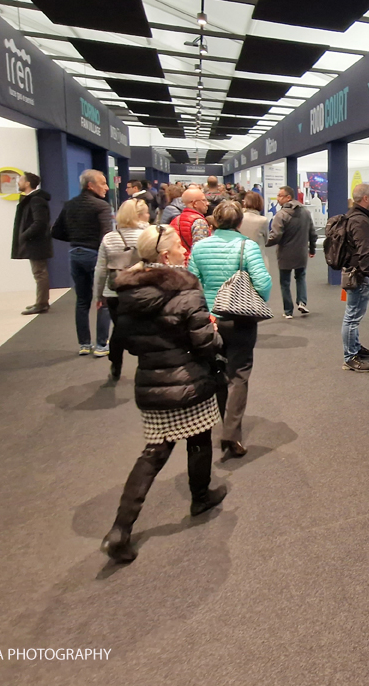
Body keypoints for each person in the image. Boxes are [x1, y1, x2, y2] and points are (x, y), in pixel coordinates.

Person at [100, 224, 226, 563]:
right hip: (188, 379)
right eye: (179, 247)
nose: (186, 250)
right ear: (166, 254)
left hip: (151, 381)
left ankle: (120, 528)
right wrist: (213, 334)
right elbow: (204, 343)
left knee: (153, 453)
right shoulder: (186, 291)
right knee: (199, 438)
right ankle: (200, 496)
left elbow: (125, 341)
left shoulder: (127, 294)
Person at [189, 201, 272, 459]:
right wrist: (258, 299)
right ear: (239, 223)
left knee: (219, 371)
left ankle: (225, 424)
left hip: (210, 319)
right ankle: (231, 433)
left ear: (215, 221)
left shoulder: (200, 247)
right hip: (240, 318)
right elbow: (263, 282)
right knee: (239, 374)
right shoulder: (247, 246)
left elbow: (192, 282)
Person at [50, 169, 112, 355]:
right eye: (102, 183)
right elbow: (107, 236)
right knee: (103, 298)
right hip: (94, 255)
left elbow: (56, 231)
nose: (107, 187)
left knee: (82, 301)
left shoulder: (70, 204)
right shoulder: (100, 206)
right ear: (90, 185)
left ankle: (84, 344)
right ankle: (101, 345)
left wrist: (77, 237)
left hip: (75, 254)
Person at [93, 198, 150, 385]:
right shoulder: (146, 235)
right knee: (144, 329)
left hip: (115, 291)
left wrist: (98, 294)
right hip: (141, 290)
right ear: (139, 215)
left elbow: (101, 269)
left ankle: (115, 362)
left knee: (119, 329)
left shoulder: (109, 238)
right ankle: (146, 364)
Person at [341, 183, 369, 372]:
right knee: (352, 317)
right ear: (365, 198)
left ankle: (355, 347)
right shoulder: (361, 221)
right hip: (359, 274)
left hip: (355, 272)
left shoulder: (354, 217)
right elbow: (364, 252)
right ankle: (350, 357)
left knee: (354, 314)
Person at [266, 185, 316, 320]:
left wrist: (264, 243)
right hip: (301, 252)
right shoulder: (305, 212)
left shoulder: (281, 215)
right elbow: (312, 233)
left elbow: (275, 235)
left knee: (285, 282)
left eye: (280, 195)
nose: (277, 198)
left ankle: (288, 311)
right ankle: (302, 302)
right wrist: (312, 249)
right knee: (300, 277)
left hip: (285, 253)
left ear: (288, 197)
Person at [12, 171, 53, 315]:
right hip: (35, 242)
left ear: (28, 183)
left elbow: (40, 223)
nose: (18, 182)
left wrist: (24, 235)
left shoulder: (36, 200)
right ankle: (41, 302)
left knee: (39, 273)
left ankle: (42, 303)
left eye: (21, 180)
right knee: (39, 272)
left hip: (36, 243)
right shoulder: (32, 199)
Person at [175, 186, 211, 260]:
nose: (207, 203)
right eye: (204, 200)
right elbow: (200, 253)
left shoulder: (176, 220)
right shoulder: (199, 222)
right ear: (195, 203)